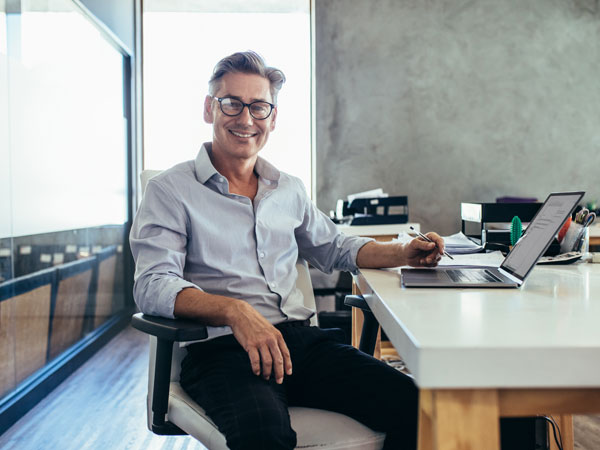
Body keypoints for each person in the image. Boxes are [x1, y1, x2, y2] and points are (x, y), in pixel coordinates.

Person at [130, 51, 445, 450]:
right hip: (224, 352)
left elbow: (336, 247)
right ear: (210, 109)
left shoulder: (289, 188)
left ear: (272, 118)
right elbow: (152, 284)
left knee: (421, 408)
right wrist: (235, 311)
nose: (245, 119)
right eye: (231, 103)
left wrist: (404, 252)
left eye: (258, 107)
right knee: (264, 435)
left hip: (301, 345)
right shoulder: (170, 191)